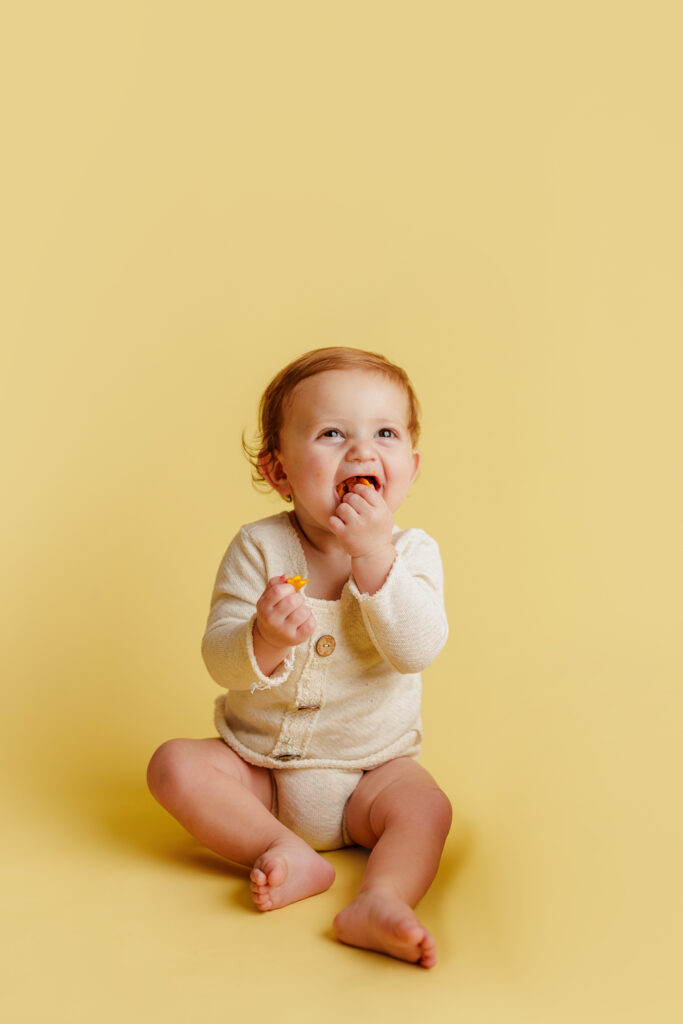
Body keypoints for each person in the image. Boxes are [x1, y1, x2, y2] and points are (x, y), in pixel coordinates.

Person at [147, 347, 452, 968]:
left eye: (384, 433)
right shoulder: (260, 547)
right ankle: (282, 850)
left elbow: (417, 649)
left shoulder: (412, 554)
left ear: (410, 469)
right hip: (260, 772)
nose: (362, 452)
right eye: (332, 433)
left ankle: (380, 900)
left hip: (373, 772)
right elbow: (220, 657)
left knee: (427, 808)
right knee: (174, 766)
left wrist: (373, 558)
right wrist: (261, 639)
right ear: (279, 469)